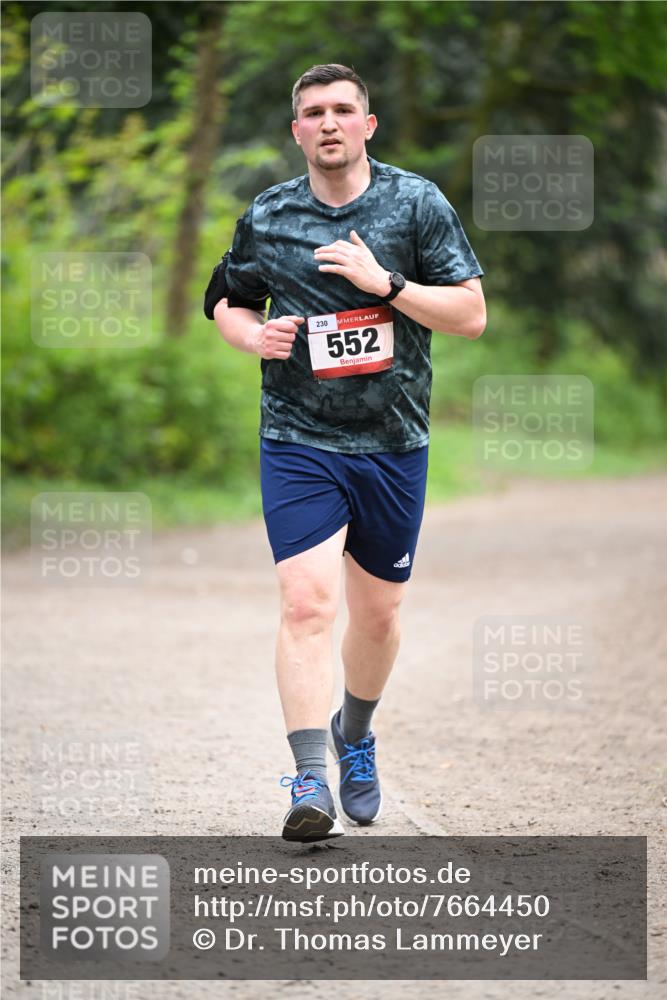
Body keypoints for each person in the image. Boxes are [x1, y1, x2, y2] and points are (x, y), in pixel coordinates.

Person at [205, 63, 485, 843]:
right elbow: (227, 301)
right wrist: (251, 336)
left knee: (378, 614)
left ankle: (353, 734)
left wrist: (385, 282)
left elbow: (469, 315)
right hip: (298, 437)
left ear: (367, 125)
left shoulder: (414, 203)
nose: (327, 122)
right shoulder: (269, 216)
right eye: (312, 112)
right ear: (296, 131)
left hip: (393, 443)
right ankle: (307, 779)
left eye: (342, 110)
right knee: (305, 604)